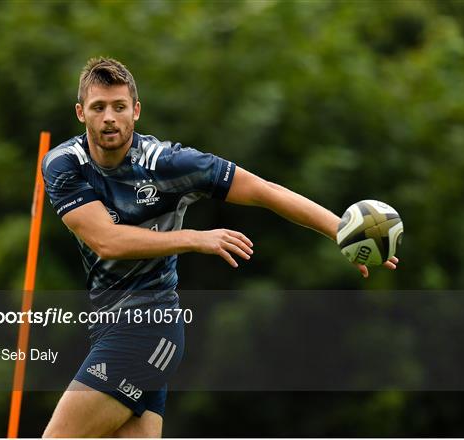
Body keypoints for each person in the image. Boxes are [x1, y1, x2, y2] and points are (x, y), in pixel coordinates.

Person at [41, 57, 399, 438]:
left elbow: (265, 190)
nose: (109, 117)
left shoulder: (168, 164)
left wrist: (342, 230)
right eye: (98, 107)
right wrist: (196, 237)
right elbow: (106, 241)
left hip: (146, 328)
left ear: (136, 111)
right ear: (81, 113)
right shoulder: (64, 165)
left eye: (119, 106)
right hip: (110, 327)